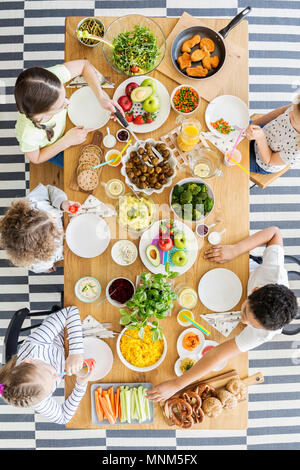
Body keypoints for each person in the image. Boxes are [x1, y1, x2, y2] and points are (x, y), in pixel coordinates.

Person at [147, 226, 298, 402]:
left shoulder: (264, 334)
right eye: (244, 312)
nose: (241, 320)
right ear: (255, 290)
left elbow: (217, 354)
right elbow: (275, 232)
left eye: (250, 324)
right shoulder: (274, 271)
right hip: (242, 267)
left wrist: (176, 384)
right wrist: (236, 249)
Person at [14, 60, 124, 167]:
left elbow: (84, 65)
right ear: (42, 114)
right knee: (78, 165)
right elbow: (36, 158)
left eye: (65, 96)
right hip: (52, 146)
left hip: (67, 128)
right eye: (61, 105)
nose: (68, 102)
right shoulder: (28, 134)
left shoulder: (47, 82)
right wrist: (66, 141)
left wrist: (101, 97)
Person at [0, 306, 91, 425]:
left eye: (50, 373)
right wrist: (80, 385)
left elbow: (71, 312)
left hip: (63, 333)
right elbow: (63, 418)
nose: (57, 376)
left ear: (29, 361)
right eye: (53, 384)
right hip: (71, 353)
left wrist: (76, 352)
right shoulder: (37, 398)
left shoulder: (36, 344)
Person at [0, 183, 80, 273]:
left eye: (48, 215)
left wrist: (62, 203)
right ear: (43, 245)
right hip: (66, 249)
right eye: (53, 226)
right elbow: (38, 267)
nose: (55, 217)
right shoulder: (39, 261)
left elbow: (49, 191)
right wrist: (46, 268)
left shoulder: (33, 202)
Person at [246, 95, 300, 174]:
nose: (289, 114)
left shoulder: (296, 152)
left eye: (294, 119)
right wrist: (254, 123)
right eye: (292, 109)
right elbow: (280, 111)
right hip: (264, 131)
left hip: (260, 161)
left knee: (230, 161)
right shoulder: (298, 106)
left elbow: (269, 160)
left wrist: (260, 139)